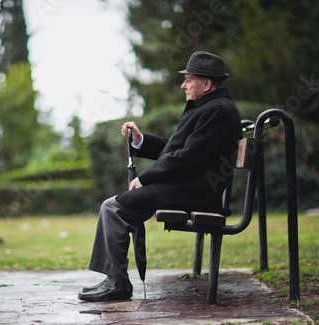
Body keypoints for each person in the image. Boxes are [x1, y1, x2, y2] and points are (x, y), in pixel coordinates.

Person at [78, 51, 242, 302]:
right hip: (186, 186)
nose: (183, 85)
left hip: (193, 190)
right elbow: (176, 149)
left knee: (113, 207)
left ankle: (117, 282)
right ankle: (116, 279)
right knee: (115, 205)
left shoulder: (217, 111)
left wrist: (145, 177)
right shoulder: (210, 107)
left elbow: (187, 156)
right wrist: (140, 140)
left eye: (189, 79)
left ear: (206, 84)